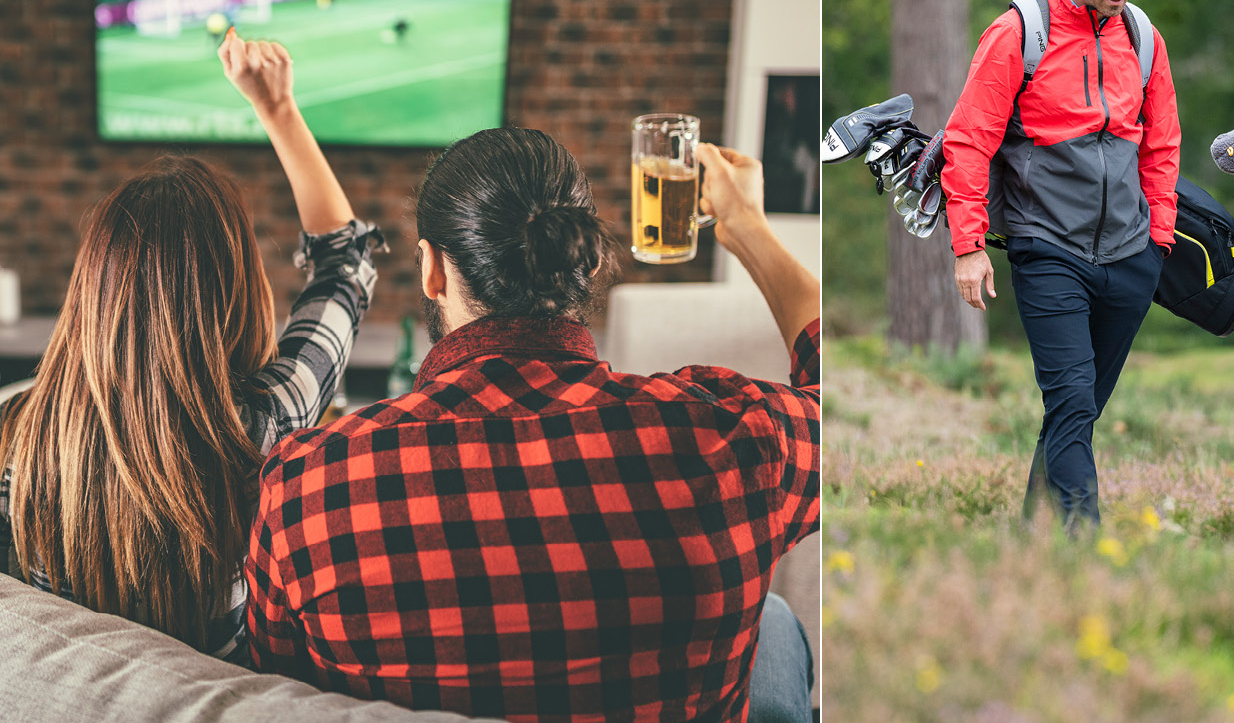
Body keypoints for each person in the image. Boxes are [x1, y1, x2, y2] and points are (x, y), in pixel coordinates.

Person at [244, 128, 820, 723]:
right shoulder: (733, 435)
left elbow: (279, 697)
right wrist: (747, 226)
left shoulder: (305, 487)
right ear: (590, 259)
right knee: (772, 618)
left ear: (432, 271)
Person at [0, 28, 376, 660]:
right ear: (233, 290)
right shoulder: (266, 423)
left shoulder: (15, 434)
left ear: (95, 285)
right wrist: (277, 109)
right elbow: (346, 265)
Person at [942, 0, 1180, 530]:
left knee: (1077, 411)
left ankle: (1033, 542)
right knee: (1071, 398)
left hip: (1130, 256)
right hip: (1048, 247)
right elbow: (969, 140)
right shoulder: (1020, 32)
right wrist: (967, 244)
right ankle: (1084, 553)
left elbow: (1161, 143)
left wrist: (1156, 240)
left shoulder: (1142, 36)